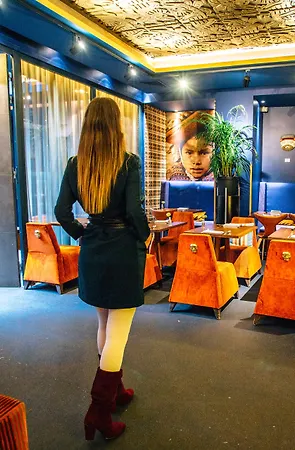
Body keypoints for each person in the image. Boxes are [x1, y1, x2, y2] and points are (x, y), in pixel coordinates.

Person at [55, 97, 150, 441]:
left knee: (104, 324)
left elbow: (62, 211)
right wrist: (146, 236)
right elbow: (135, 212)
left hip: (93, 248)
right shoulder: (129, 162)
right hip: (123, 252)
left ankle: (116, 390)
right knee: (118, 334)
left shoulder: (75, 164)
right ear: (116, 126)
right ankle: (99, 410)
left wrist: (82, 233)